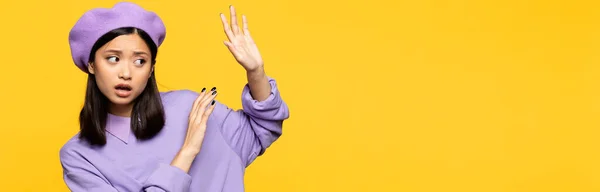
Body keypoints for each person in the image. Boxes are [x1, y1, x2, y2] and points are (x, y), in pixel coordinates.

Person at [59, 2, 290, 192]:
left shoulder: (191, 107)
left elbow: (261, 131)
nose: (126, 73)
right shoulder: (79, 157)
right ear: (91, 64)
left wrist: (256, 72)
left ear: (151, 69)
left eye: (140, 61)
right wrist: (187, 152)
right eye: (113, 59)